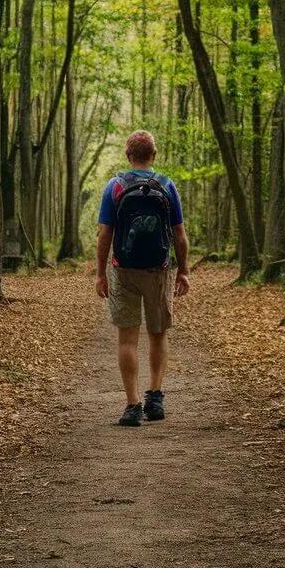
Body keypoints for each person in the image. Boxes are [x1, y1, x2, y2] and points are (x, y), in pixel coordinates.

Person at [96, 129, 190, 426]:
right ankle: (156, 397)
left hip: (123, 268)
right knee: (158, 333)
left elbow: (104, 235)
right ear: (154, 156)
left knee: (127, 338)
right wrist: (184, 270)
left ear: (128, 156)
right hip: (158, 269)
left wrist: (100, 273)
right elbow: (179, 235)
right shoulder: (166, 185)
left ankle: (133, 405)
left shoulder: (115, 186)